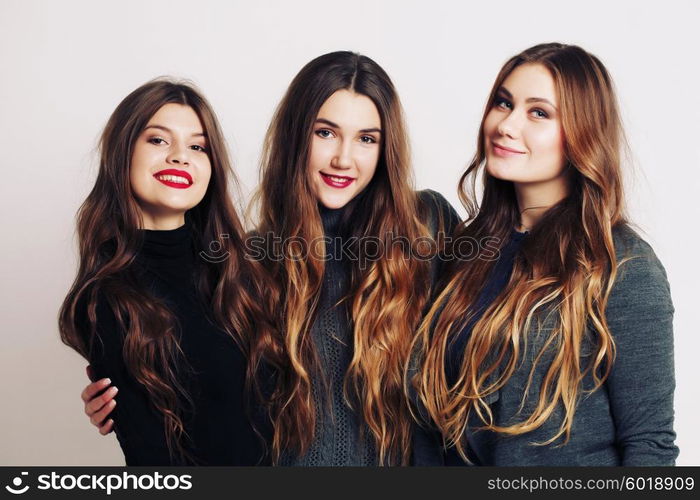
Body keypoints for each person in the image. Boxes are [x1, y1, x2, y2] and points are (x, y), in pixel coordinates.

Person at [81, 52, 459, 466]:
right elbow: (211, 390)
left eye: (367, 138)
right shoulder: (251, 262)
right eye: (326, 133)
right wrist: (131, 387)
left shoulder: (428, 224)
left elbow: (502, 328)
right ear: (297, 136)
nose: (344, 159)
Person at [411, 43, 678, 466]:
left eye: (539, 113)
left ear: (582, 133)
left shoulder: (623, 266)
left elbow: (649, 444)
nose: (507, 125)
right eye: (504, 103)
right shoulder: (465, 250)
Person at [59, 79, 272, 465]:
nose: (180, 157)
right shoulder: (106, 296)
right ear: (122, 153)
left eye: (197, 146)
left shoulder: (243, 269)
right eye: (158, 140)